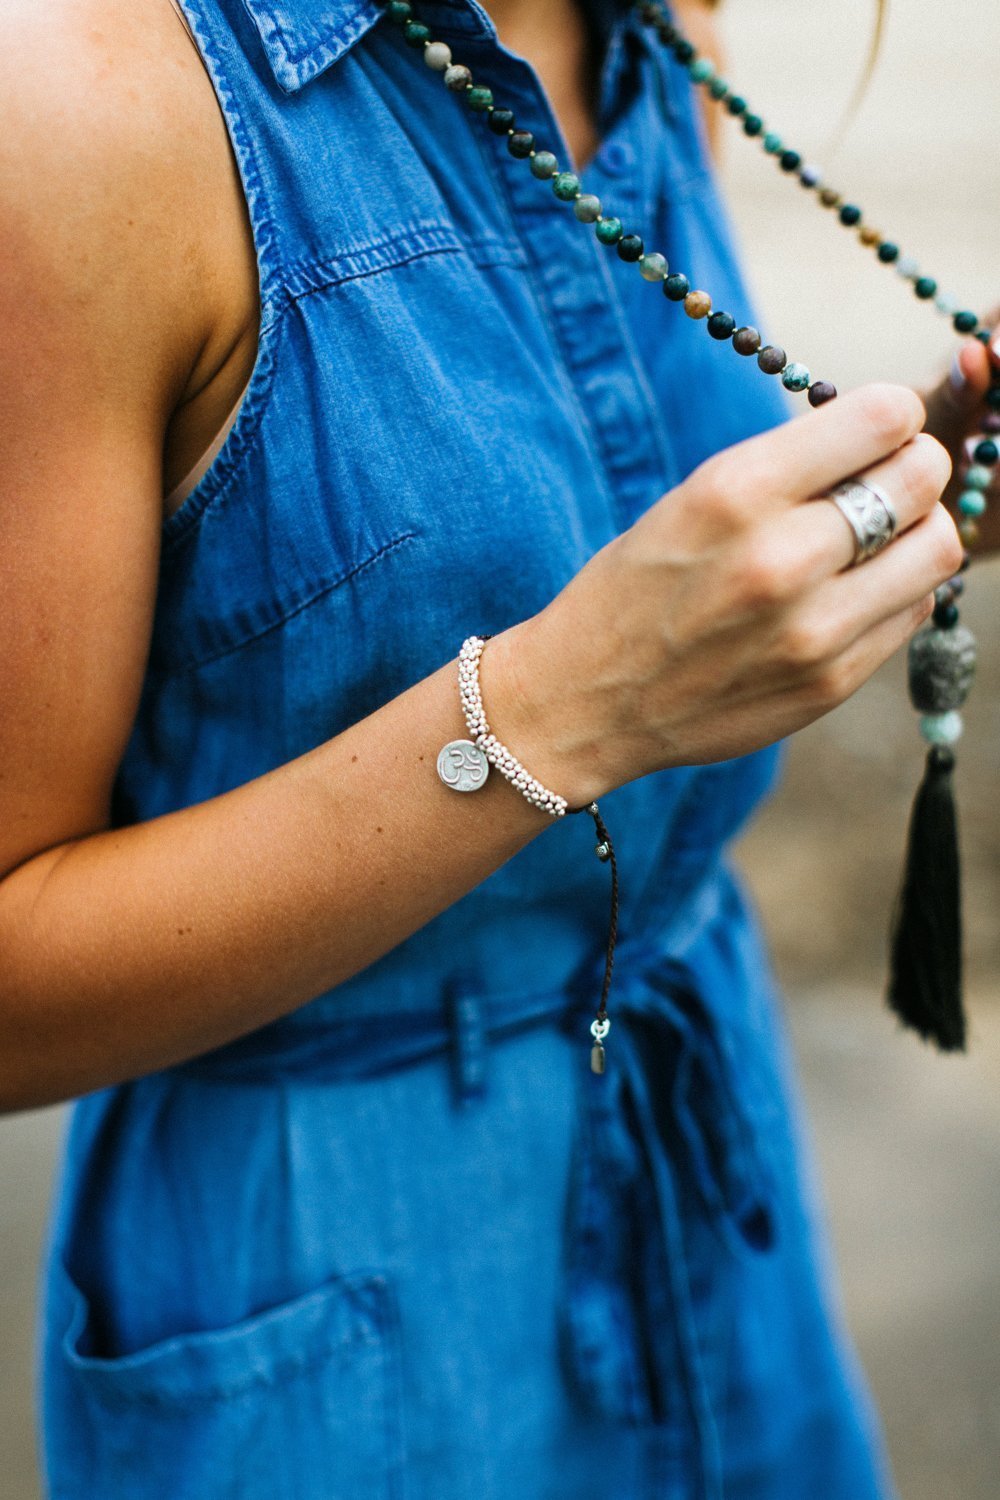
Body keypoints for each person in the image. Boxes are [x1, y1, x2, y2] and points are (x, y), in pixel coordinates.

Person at [0, 0, 993, 1495]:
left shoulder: (656, 26)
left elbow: (606, 524)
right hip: (342, 1295)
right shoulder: (79, 113)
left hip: (718, 1187)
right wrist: (560, 710)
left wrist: (926, 486)